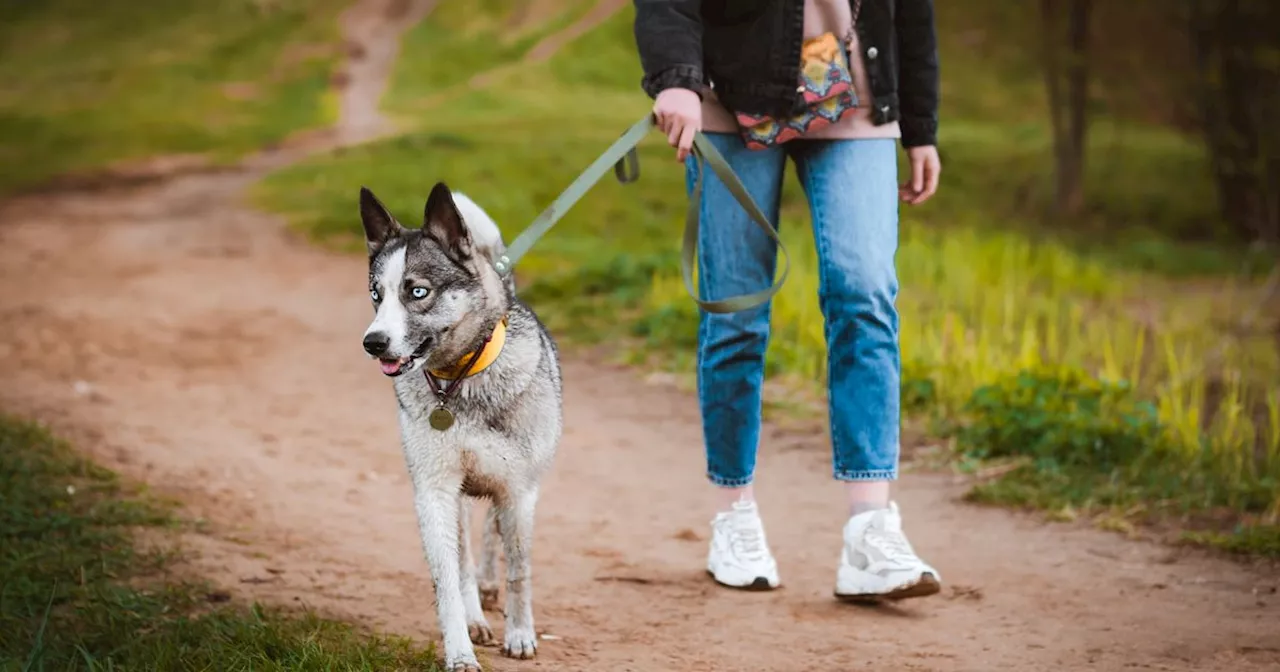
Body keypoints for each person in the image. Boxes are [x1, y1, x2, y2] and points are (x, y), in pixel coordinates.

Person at [632, 0, 943, 600]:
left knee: (866, 292)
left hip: (855, 98)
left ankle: (870, 530)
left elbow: (913, 12)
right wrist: (676, 79)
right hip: (732, 96)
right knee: (736, 314)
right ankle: (735, 514)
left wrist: (922, 126)